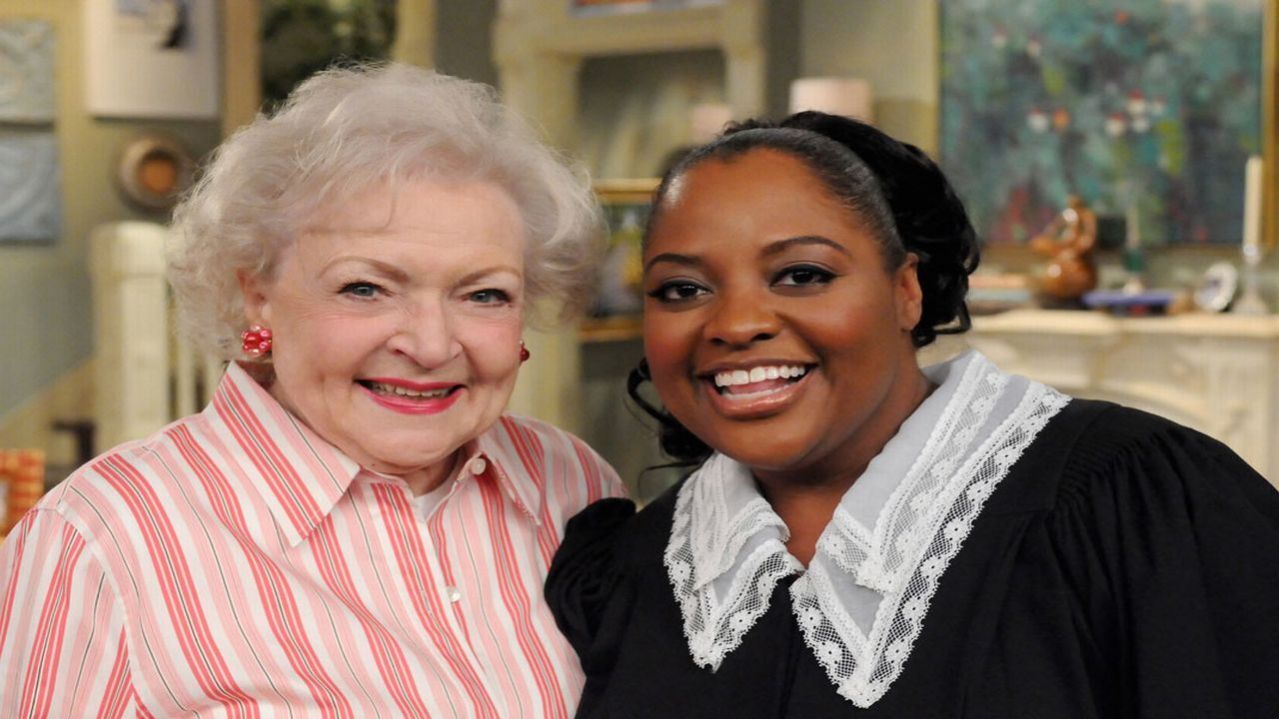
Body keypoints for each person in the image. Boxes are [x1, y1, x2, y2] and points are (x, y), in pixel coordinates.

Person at [546, 111, 1279, 717]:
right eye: (681, 289)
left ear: (907, 291)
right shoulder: (626, 571)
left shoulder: (1138, 506)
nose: (735, 324)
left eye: (802, 274)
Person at [0, 63, 624, 717]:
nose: (432, 344)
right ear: (256, 295)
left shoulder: (572, 484)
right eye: (366, 288)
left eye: (484, 295)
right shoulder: (99, 540)